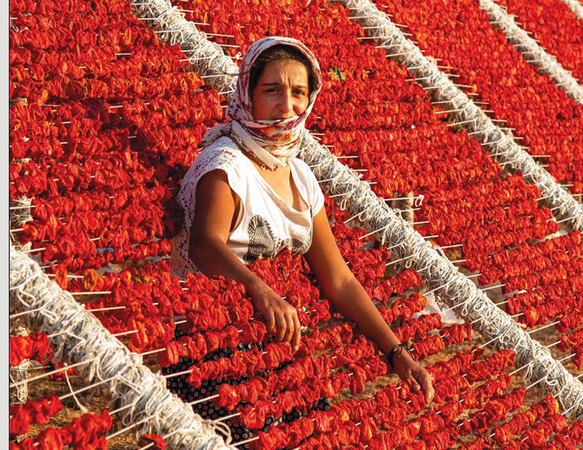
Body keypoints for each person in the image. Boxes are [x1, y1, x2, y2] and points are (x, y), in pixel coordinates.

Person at [171, 36, 434, 404]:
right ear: (248, 92)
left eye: (298, 92)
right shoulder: (226, 165)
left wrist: (396, 351)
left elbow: (339, 279)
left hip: (280, 359)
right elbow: (204, 245)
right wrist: (259, 288)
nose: (286, 105)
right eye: (272, 90)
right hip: (217, 349)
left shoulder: (299, 174)